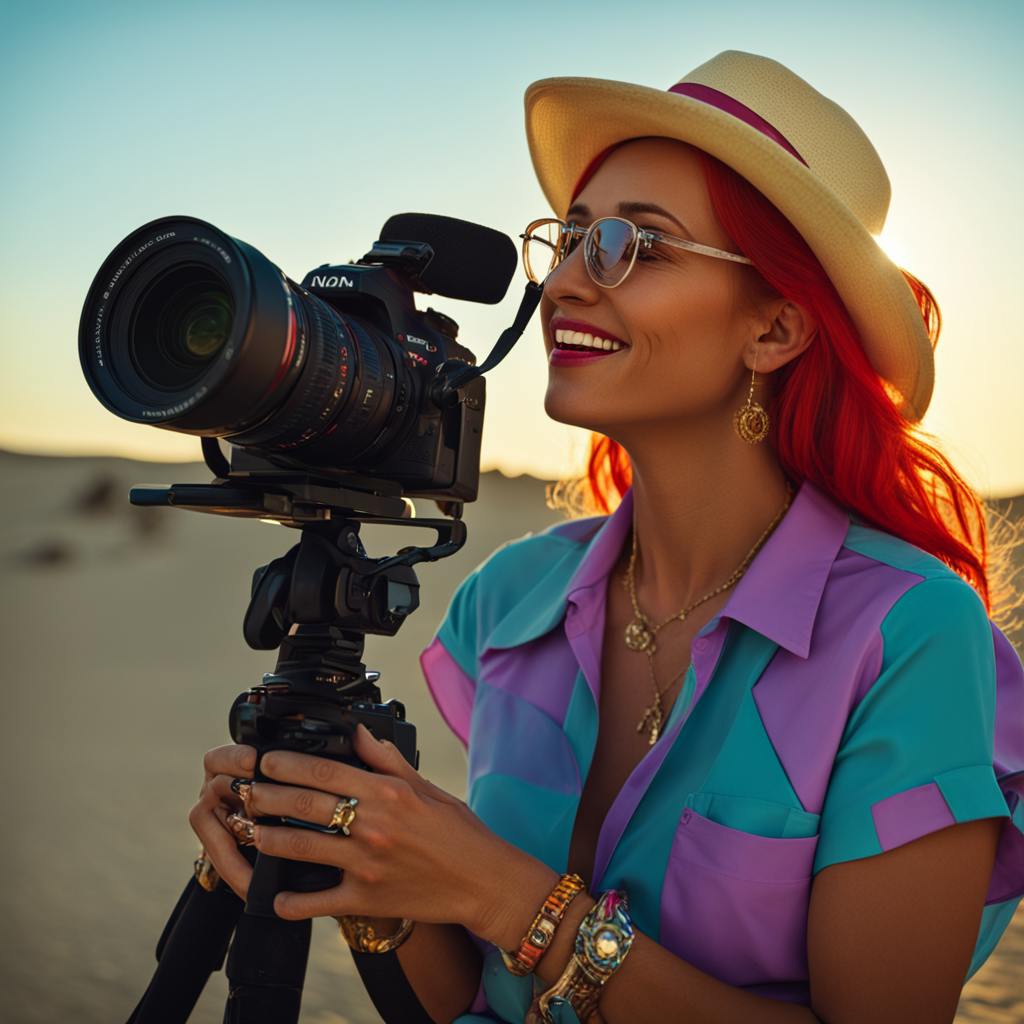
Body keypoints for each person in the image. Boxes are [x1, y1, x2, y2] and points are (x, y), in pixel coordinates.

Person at [190, 50, 1024, 1023]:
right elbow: (478, 995)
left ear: (777, 326)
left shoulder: (906, 635)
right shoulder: (510, 600)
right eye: (572, 239)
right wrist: (369, 859)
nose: (565, 287)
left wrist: (507, 894)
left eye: (634, 244)